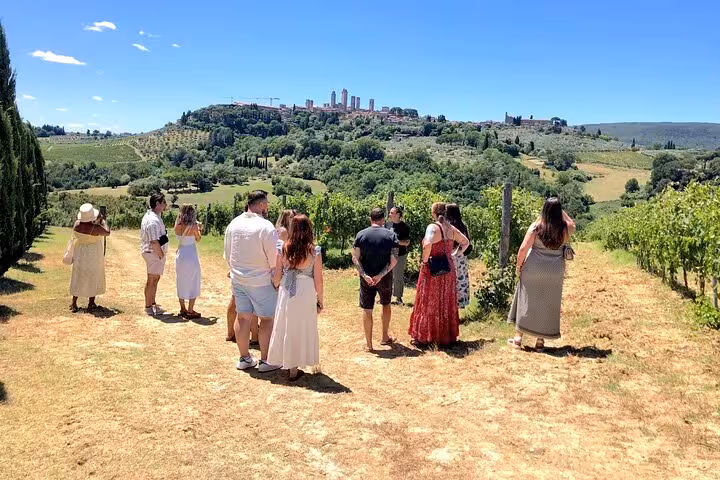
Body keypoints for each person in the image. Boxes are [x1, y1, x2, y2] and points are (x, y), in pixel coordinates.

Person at [507, 197, 576, 351]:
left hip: (533, 267)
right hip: (555, 270)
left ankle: (518, 338)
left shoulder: (536, 227)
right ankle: (540, 342)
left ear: (544, 210)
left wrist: (519, 266)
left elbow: (523, 249)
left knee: (526, 299)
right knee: (548, 303)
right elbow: (573, 224)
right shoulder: (565, 229)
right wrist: (560, 211)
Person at [224, 191, 280, 372]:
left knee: (243, 316)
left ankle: (245, 358)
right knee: (266, 319)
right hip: (261, 280)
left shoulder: (234, 224)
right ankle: (265, 360)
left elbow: (227, 253)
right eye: (267, 204)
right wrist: (275, 277)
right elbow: (273, 257)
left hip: (239, 278)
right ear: (262, 204)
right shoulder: (265, 226)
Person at [267, 215, 323, 381]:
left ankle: (290, 365)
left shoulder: (283, 248)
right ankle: (297, 364)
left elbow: (277, 274)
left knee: (286, 325)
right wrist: (320, 300)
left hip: (287, 289)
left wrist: (277, 285)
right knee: (303, 326)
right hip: (305, 290)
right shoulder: (314, 250)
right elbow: (318, 280)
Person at [408, 202, 469, 347]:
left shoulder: (432, 227)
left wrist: (424, 260)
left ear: (433, 213)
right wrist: (453, 254)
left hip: (432, 267)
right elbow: (465, 242)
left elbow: (428, 244)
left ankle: (426, 336)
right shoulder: (451, 228)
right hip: (448, 268)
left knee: (428, 300)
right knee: (445, 300)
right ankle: (445, 335)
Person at [352, 207, 399, 351]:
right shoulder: (391, 236)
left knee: (367, 309)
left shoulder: (360, 235)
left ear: (370, 219)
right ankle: (384, 337)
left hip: (366, 278)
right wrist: (380, 275)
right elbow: (394, 260)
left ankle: (369, 344)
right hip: (384, 277)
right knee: (386, 304)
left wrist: (364, 275)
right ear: (383, 220)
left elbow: (355, 258)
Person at [69, 203, 110, 312]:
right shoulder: (95, 228)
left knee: (78, 275)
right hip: (93, 253)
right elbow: (107, 232)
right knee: (93, 275)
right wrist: (103, 221)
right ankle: (91, 302)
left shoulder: (77, 225)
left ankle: (74, 303)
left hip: (80, 252)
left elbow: (86, 229)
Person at [140, 192, 168, 316]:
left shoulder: (154, 216)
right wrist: (161, 254)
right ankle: (148, 306)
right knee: (152, 280)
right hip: (153, 253)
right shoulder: (152, 220)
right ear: (157, 204)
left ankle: (153, 304)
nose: (165, 205)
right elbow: (154, 241)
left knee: (155, 279)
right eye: (163, 203)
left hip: (153, 253)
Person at [174, 205, 202, 319]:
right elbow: (198, 239)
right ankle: (190, 309)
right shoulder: (194, 226)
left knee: (180, 280)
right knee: (193, 280)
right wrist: (199, 229)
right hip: (191, 254)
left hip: (180, 255)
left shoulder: (177, 226)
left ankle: (182, 308)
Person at [445, 203, 472, 309]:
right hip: (460, 256)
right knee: (460, 280)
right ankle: (459, 303)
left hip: (450, 255)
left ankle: (449, 305)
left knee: (450, 280)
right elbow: (467, 242)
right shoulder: (462, 225)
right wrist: (459, 252)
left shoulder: (448, 226)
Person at [386, 206, 410, 305]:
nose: (389, 214)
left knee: (398, 276)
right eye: (390, 213)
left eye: (392, 213)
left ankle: (398, 298)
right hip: (388, 254)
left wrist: (396, 241)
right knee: (386, 276)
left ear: (398, 214)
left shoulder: (404, 227)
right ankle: (386, 297)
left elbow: (407, 243)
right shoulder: (387, 225)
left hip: (400, 255)